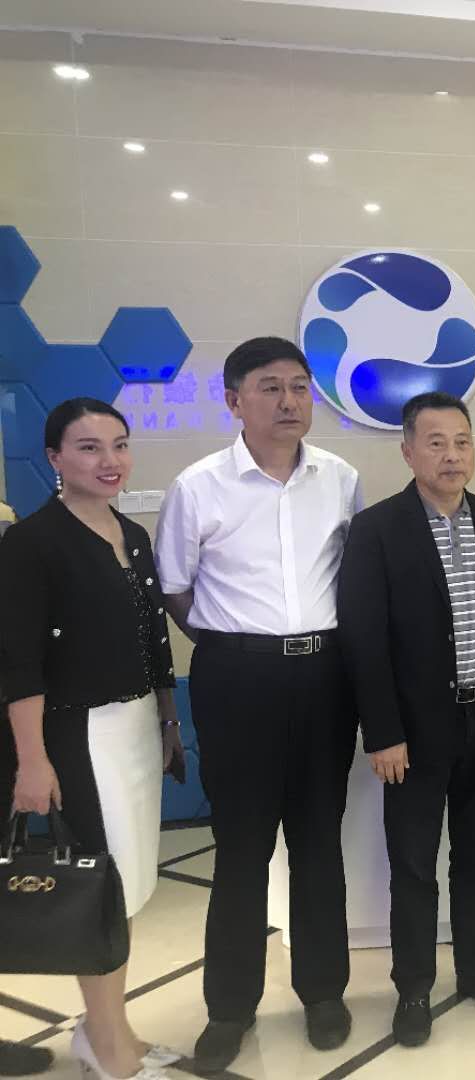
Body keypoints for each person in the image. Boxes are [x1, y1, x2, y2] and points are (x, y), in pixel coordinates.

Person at [154, 338, 362, 1073]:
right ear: (233, 400)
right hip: (236, 681)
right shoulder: (199, 486)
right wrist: (237, 645)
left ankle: (324, 993)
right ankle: (230, 1007)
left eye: (299, 386)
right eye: (270, 387)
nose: (288, 401)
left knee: (318, 842)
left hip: (326, 679)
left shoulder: (340, 479)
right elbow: (175, 588)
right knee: (241, 848)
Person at [337, 392, 475, 1047]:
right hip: (414, 736)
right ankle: (414, 988)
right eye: (437, 442)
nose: (452, 455)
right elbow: (364, 638)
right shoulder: (377, 529)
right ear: (408, 451)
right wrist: (383, 731)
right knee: (414, 867)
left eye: (462, 442)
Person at [1, 398, 183, 1080]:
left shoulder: (130, 534)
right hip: (79, 734)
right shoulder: (32, 543)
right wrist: (31, 760)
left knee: (129, 884)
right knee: (102, 888)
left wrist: (168, 720)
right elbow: (18, 662)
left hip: (135, 728)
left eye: (119, 445)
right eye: (88, 447)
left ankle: (108, 1028)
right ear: (55, 458)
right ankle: (106, 1045)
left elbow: (152, 638)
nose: (109, 461)